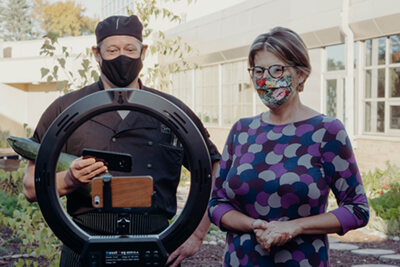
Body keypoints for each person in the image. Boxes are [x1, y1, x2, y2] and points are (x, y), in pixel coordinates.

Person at [23, 15, 221, 267]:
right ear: (96, 53)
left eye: (130, 49)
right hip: (83, 243)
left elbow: (214, 169)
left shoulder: (172, 110)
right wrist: (69, 179)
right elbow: (30, 187)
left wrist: (196, 234)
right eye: (112, 50)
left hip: (158, 243)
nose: (122, 57)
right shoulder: (65, 109)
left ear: (143, 51)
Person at [208, 27, 369, 267]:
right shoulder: (241, 131)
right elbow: (217, 204)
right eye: (258, 71)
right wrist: (254, 225)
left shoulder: (327, 131)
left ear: (301, 74)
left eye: (277, 70)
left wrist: (295, 226)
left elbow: (357, 209)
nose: (266, 79)